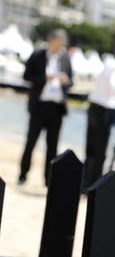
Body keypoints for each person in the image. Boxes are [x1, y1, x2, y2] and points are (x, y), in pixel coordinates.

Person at [18, 28, 73, 186]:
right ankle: (23, 175)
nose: (60, 46)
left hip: (57, 108)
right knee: (31, 142)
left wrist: (65, 81)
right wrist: (44, 78)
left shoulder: (65, 58)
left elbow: (71, 81)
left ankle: (49, 180)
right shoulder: (37, 55)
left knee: (53, 146)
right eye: (59, 43)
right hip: (39, 106)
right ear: (51, 40)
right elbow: (26, 76)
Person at [83, 39, 115, 190]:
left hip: (94, 105)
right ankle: (93, 185)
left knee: (90, 149)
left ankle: (84, 181)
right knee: (100, 151)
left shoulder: (108, 63)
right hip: (105, 109)